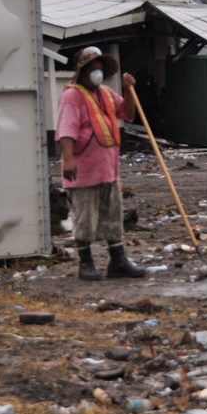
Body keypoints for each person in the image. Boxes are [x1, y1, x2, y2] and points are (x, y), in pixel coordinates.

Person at [56, 46, 146, 281]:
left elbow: (127, 113)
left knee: (113, 217)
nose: (97, 72)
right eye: (93, 68)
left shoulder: (105, 93)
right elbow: (66, 130)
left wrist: (128, 91)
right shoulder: (72, 96)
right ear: (83, 70)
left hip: (108, 170)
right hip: (83, 171)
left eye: (100, 68)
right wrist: (68, 159)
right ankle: (86, 263)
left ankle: (118, 261)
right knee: (85, 218)